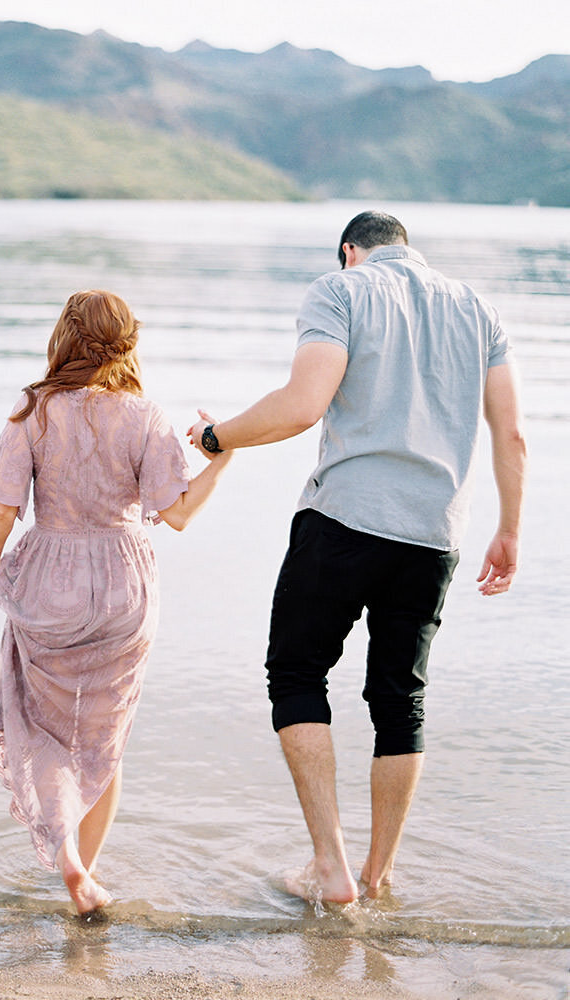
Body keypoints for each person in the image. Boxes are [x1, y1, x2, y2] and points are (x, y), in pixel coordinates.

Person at [188, 211, 527, 905]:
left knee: (296, 672)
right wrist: (510, 530)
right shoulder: (480, 310)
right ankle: (379, 875)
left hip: (344, 518)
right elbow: (512, 435)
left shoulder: (341, 291)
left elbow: (304, 405)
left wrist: (217, 436)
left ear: (352, 252)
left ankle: (329, 868)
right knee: (401, 700)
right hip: (435, 533)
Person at [0, 289, 231, 915]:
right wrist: (223, 461)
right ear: (128, 342)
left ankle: (66, 861)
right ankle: (86, 874)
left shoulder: (33, 410)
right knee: (105, 739)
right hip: (125, 586)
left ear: (64, 335)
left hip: (49, 581)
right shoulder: (146, 415)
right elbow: (176, 513)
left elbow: (4, 507)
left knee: (38, 725)